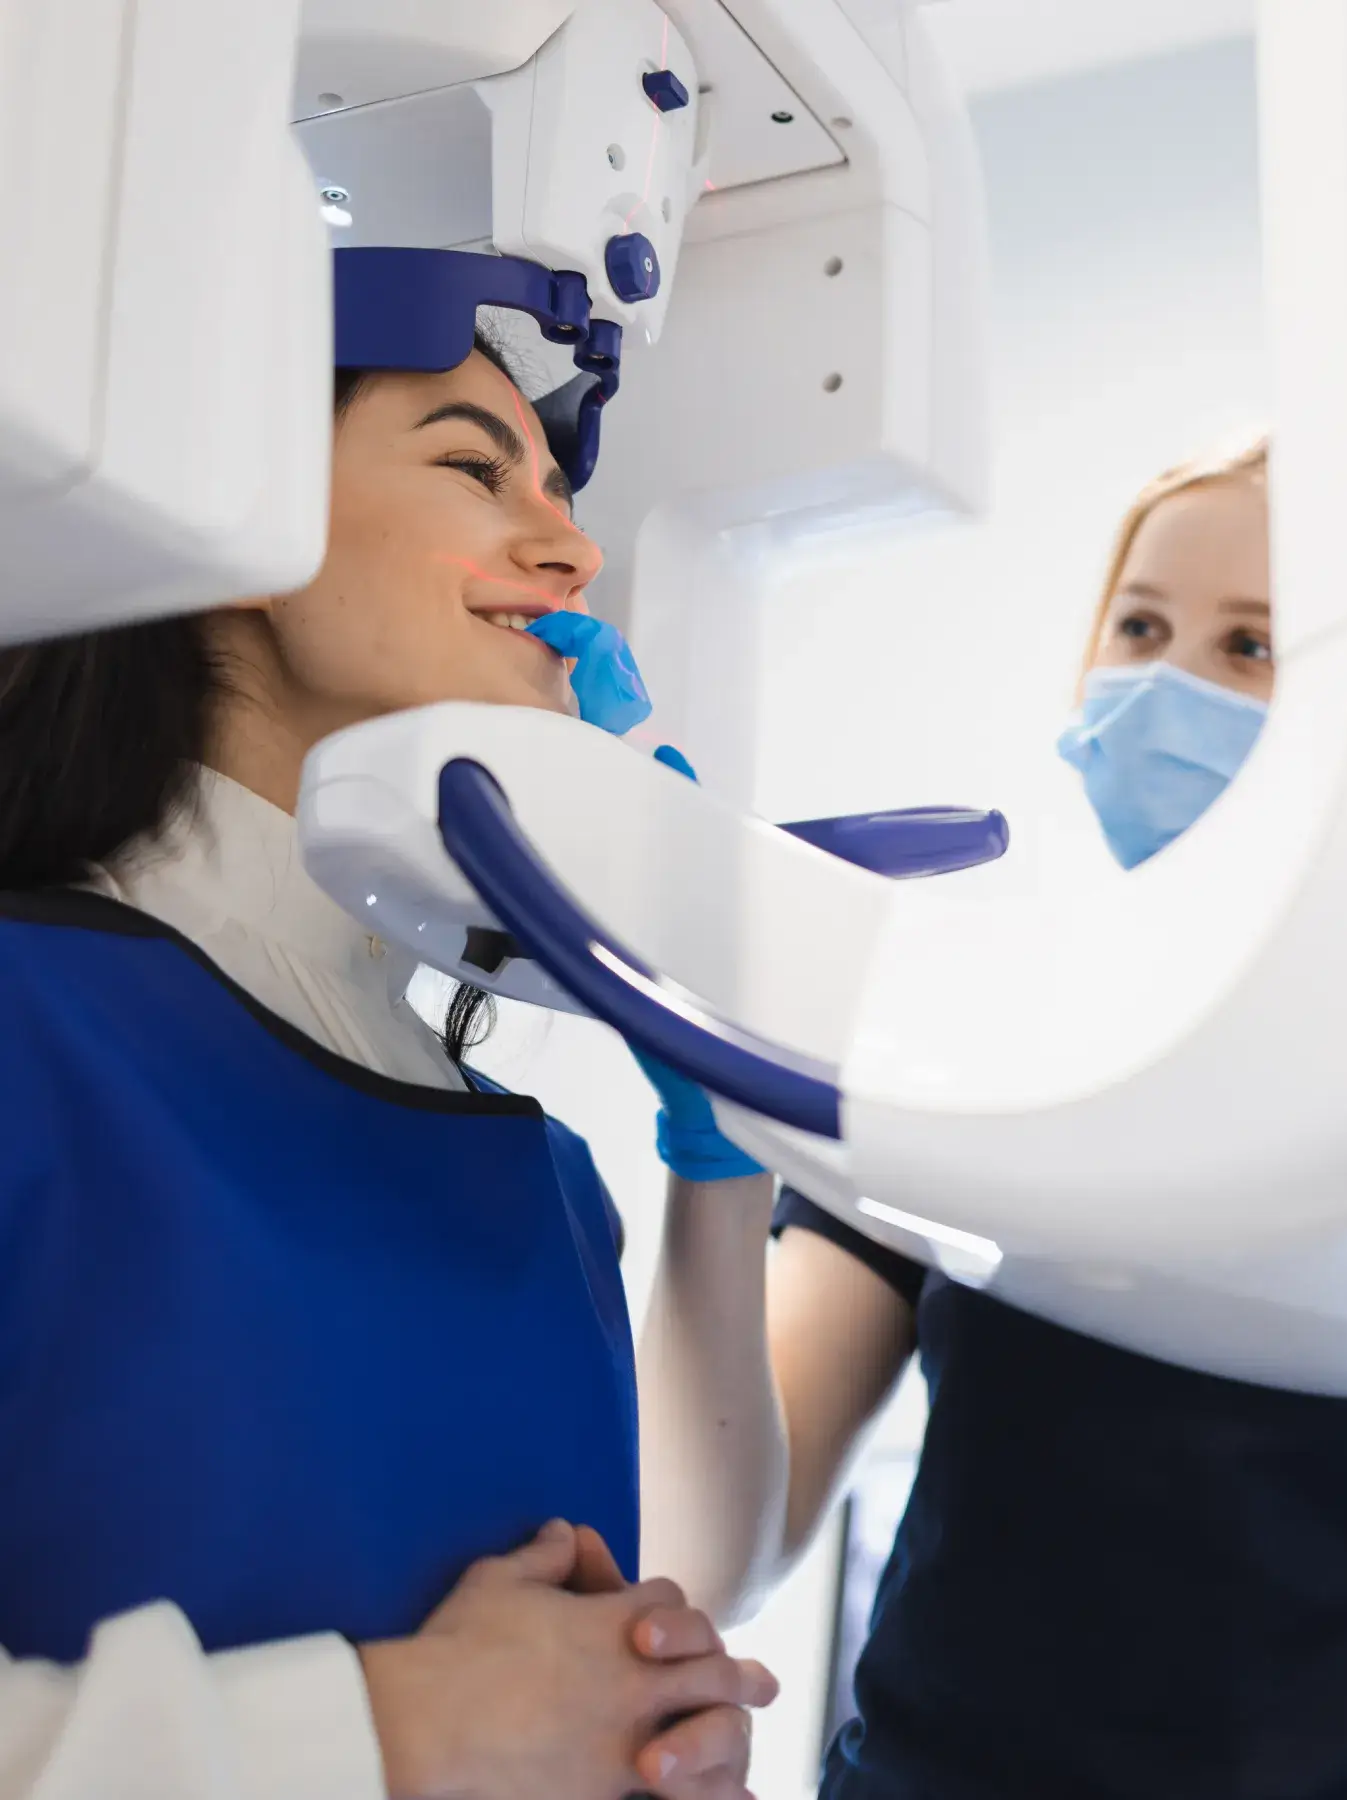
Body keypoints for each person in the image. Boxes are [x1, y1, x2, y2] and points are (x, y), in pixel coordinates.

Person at [0, 312, 776, 1800]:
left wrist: (647, 1729)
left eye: (562, 496)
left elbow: (685, 1571)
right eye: (477, 468)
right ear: (237, 515)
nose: (573, 559)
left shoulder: (544, 1178)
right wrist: (399, 1732)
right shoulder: (31, 1027)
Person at [638, 436, 1347, 1799]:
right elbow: (705, 1557)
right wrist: (730, 1145)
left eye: (1253, 648)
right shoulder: (989, 1043)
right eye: (1143, 626)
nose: (1165, 685)